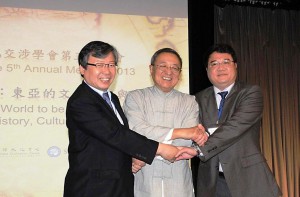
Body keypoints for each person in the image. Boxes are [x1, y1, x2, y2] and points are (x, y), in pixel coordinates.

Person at [63, 41, 189, 197]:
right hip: (93, 188)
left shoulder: (112, 98)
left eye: (111, 65)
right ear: (82, 69)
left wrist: (134, 156)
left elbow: (118, 139)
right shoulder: (82, 101)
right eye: (99, 65)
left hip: (117, 186)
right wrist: (160, 149)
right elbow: (115, 134)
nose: (107, 71)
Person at [176, 44, 282, 197]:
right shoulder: (196, 99)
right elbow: (190, 132)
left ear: (235, 66)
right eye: (214, 63)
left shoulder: (250, 93)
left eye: (226, 62)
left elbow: (235, 127)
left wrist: (198, 149)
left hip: (249, 179)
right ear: (207, 70)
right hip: (212, 184)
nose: (221, 67)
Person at [123, 48, 208, 197]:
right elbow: (137, 132)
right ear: (151, 69)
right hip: (143, 180)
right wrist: (182, 132)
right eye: (163, 66)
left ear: (180, 73)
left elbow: (186, 143)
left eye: (175, 68)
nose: (169, 71)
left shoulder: (189, 102)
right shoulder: (135, 97)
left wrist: (144, 151)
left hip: (179, 182)